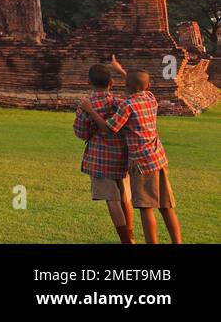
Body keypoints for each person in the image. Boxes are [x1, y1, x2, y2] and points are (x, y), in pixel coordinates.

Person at [79, 67, 182, 244]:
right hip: (158, 157)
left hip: (141, 163)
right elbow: (137, 83)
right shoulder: (151, 98)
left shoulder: (127, 105)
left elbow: (109, 128)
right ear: (148, 85)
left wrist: (90, 110)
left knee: (146, 207)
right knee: (166, 206)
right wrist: (120, 70)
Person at [73, 57, 135, 244]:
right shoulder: (120, 103)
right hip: (122, 155)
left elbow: (81, 132)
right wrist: (122, 69)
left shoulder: (86, 106)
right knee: (124, 196)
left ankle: (126, 241)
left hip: (100, 158)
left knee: (112, 200)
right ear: (111, 83)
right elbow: (137, 91)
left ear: (88, 82)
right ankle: (131, 236)